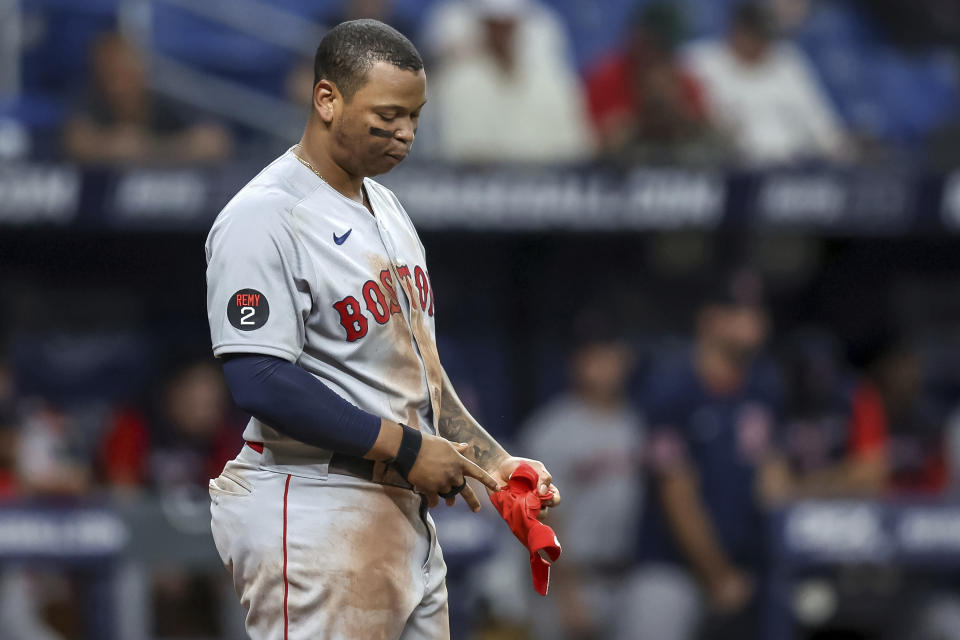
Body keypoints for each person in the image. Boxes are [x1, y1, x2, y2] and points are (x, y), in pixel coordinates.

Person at [204, 20, 560, 640]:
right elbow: (259, 379)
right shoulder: (264, 216)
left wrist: (492, 462)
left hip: (399, 513)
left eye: (416, 118)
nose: (406, 134)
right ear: (326, 99)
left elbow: (421, 372)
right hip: (314, 504)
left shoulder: (385, 206)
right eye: (389, 115)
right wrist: (411, 449)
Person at [625, 270, 786, 640]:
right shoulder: (670, 387)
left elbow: (775, 485)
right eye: (738, 312)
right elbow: (677, 495)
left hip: (747, 571)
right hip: (673, 567)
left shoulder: (765, 387)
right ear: (710, 319)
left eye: (756, 311)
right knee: (656, 608)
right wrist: (719, 578)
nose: (752, 322)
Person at [518, 327, 644, 640]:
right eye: (596, 355)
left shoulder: (638, 425)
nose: (606, 365)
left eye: (613, 354)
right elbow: (537, 520)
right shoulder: (549, 430)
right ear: (577, 362)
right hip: (571, 581)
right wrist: (568, 594)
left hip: (628, 580)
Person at [684, 2, 851, 165]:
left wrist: (840, 149)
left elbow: (822, 125)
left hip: (793, 169)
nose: (763, 44)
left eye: (767, 37)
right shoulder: (700, 62)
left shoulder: (788, 60)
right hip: (731, 168)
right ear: (736, 31)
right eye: (756, 36)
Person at [426, 0, 592, 163]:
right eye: (494, 25)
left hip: (547, 181)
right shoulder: (462, 84)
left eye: (507, 25)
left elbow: (576, 151)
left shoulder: (553, 85)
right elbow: (468, 157)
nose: (502, 34)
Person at [63, 32, 232, 165]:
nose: (118, 85)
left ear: (140, 72)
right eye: (110, 75)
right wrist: (110, 146)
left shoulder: (164, 96)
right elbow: (76, 141)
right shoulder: (90, 96)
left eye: (125, 73)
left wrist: (150, 147)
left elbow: (214, 141)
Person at [585, 3, 715, 164]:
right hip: (625, 177)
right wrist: (643, 115)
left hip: (682, 173)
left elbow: (707, 131)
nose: (659, 52)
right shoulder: (607, 77)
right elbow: (600, 144)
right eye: (654, 43)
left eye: (666, 46)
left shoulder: (683, 79)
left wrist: (675, 112)